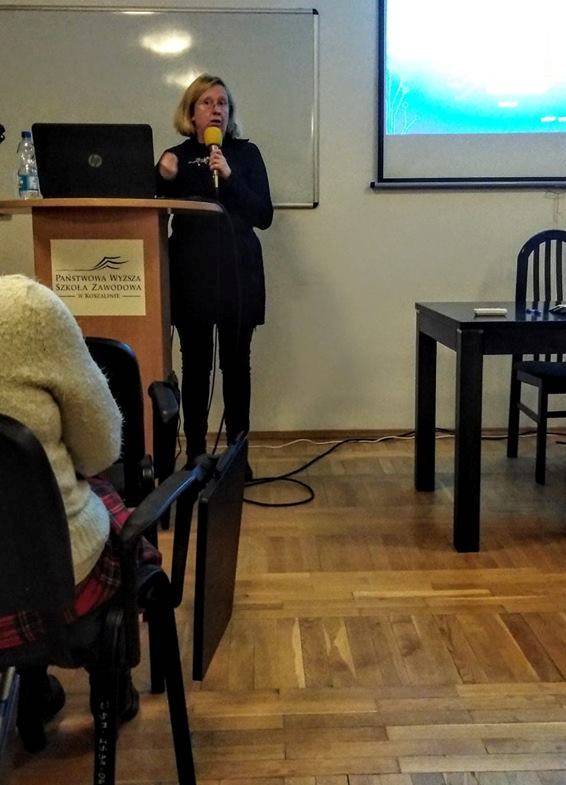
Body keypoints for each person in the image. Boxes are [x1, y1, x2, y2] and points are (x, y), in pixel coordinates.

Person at [0, 274, 159, 748]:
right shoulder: (25, 309)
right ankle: (110, 682)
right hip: (53, 580)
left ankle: (32, 688)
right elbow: (101, 450)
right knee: (113, 522)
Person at [156, 74, 273, 472]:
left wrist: (230, 176)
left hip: (240, 274)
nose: (216, 109)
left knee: (237, 365)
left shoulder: (245, 154)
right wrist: (161, 177)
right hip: (192, 275)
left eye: (222, 103)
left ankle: (239, 457)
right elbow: (152, 203)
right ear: (191, 113)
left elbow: (263, 215)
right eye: (206, 102)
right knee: (196, 365)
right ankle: (195, 456)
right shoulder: (174, 157)